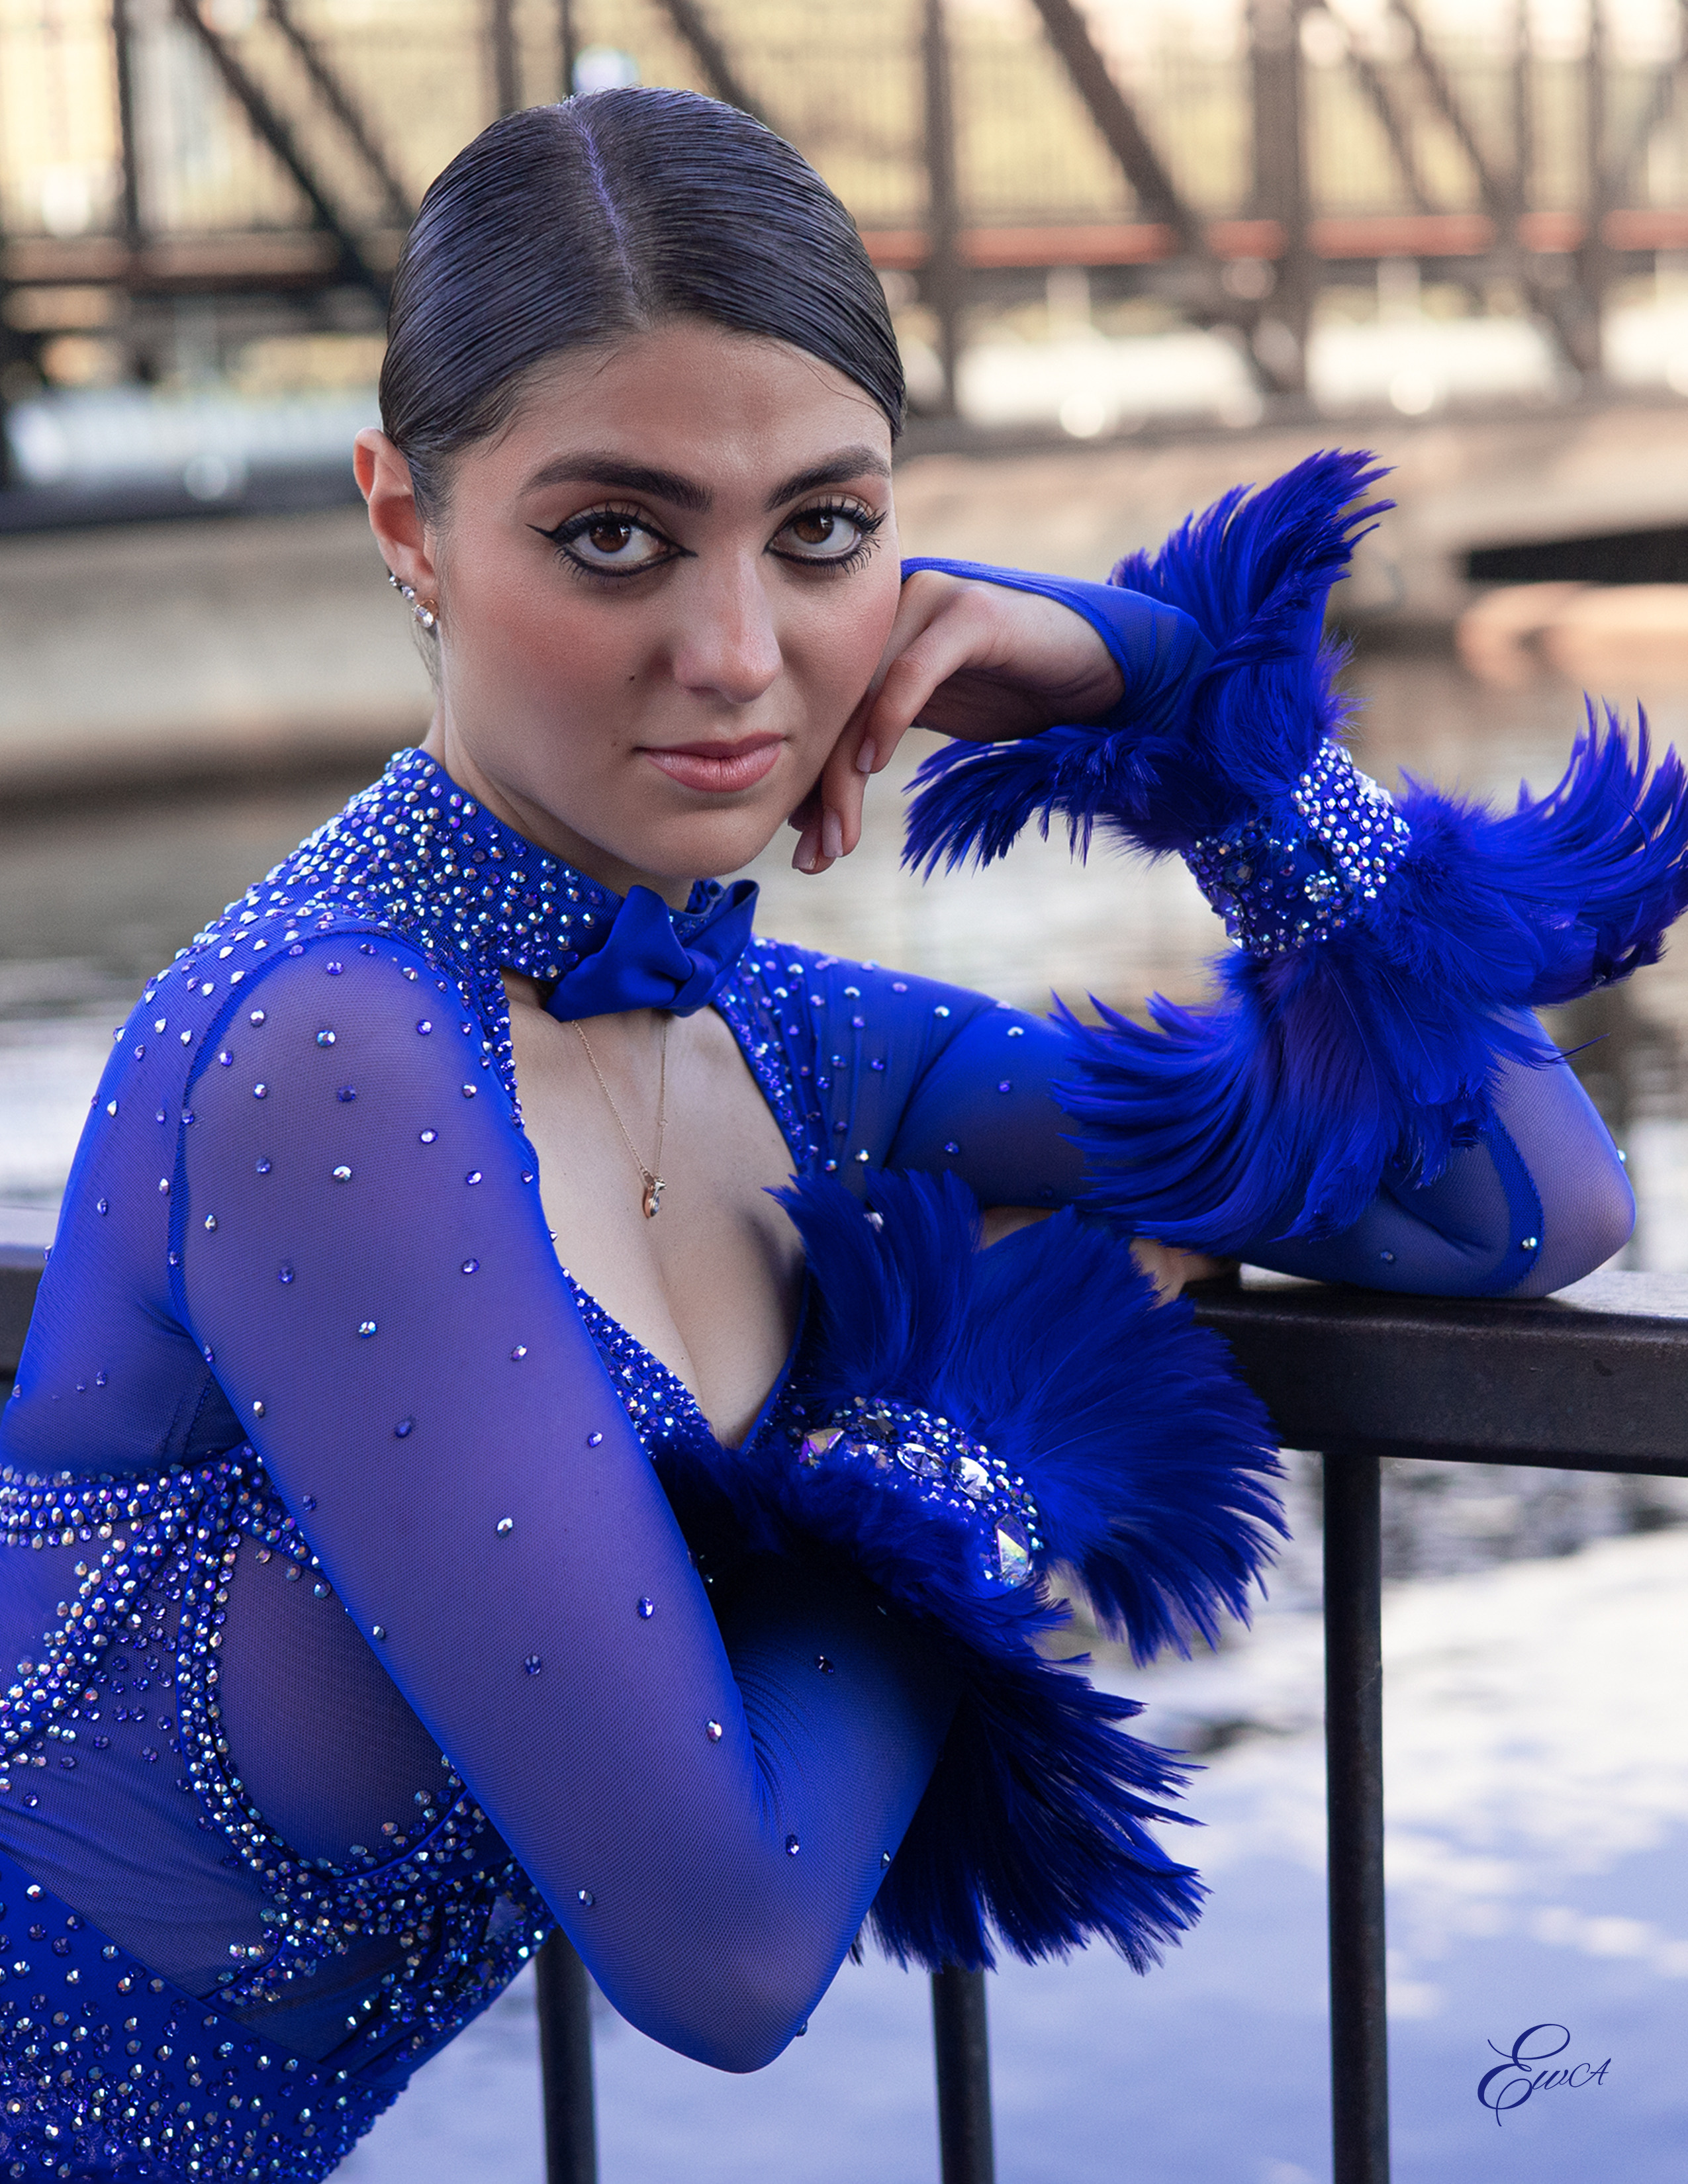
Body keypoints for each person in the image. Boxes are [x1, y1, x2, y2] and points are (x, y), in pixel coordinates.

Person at [0, 86, 1674, 2182]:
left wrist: (1169, 704)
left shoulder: (782, 1046)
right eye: (614, 534)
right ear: (406, 526)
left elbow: (1517, 1197)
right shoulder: (333, 1058)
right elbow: (727, 1945)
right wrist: (984, 1361)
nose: (733, 656)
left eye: (820, 531)